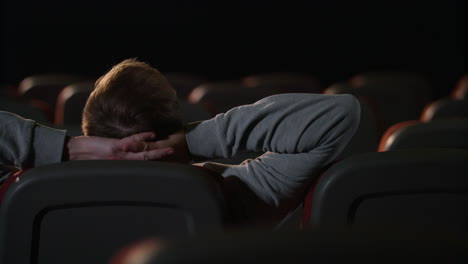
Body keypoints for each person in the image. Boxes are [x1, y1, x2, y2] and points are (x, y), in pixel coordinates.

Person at [0, 59, 360, 226]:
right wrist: (191, 142)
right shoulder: (237, 195)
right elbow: (340, 113)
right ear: (175, 125)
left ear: (90, 134)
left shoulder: (20, 199)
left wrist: (64, 150)